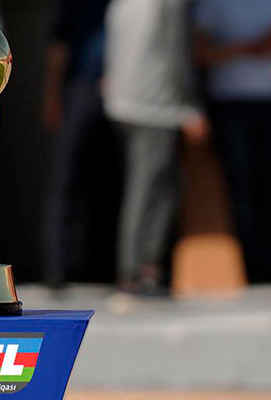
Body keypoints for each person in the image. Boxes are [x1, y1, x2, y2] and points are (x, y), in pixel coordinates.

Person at [104, 0, 209, 294]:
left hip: (124, 101)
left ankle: (138, 270)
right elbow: (178, 54)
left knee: (143, 187)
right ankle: (138, 271)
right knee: (152, 190)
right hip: (156, 104)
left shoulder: (122, 4)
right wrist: (191, 106)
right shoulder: (168, 3)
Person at [193, 0, 271, 283]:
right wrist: (246, 49)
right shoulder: (214, 3)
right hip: (230, 101)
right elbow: (198, 52)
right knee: (241, 187)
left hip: (266, 101)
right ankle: (254, 265)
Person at [41, 0, 116, 287]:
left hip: (127, 91)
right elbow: (58, 48)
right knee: (67, 180)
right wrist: (52, 97)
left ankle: (105, 265)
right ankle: (57, 267)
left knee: (111, 182)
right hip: (82, 88)